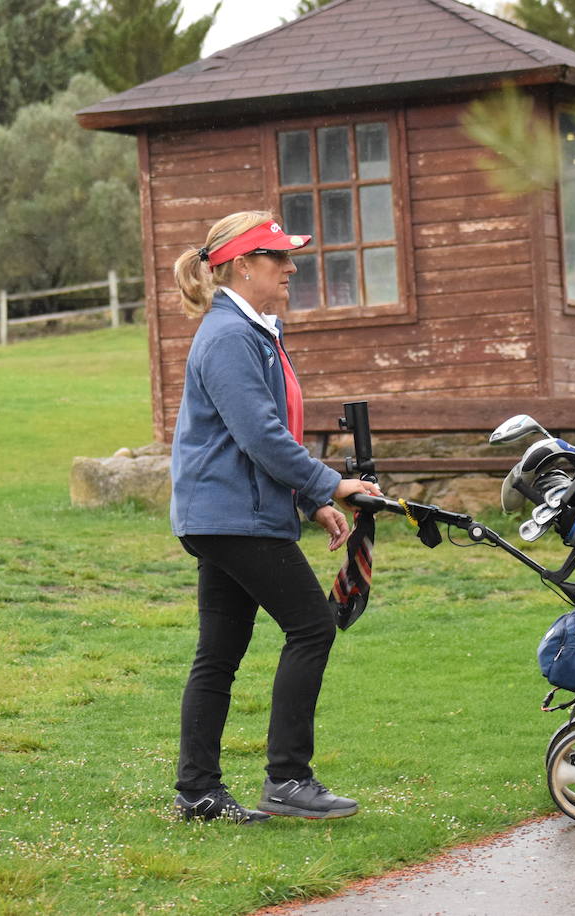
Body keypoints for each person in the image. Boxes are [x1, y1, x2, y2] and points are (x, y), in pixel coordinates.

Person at [168, 210, 380, 824]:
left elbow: (260, 437)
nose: (290, 268)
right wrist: (330, 483)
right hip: (234, 517)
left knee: (220, 651)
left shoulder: (253, 330)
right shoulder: (231, 336)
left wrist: (309, 501)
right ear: (241, 265)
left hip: (229, 514)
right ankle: (288, 779)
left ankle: (197, 792)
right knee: (312, 626)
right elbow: (260, 435)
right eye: (277, 258)